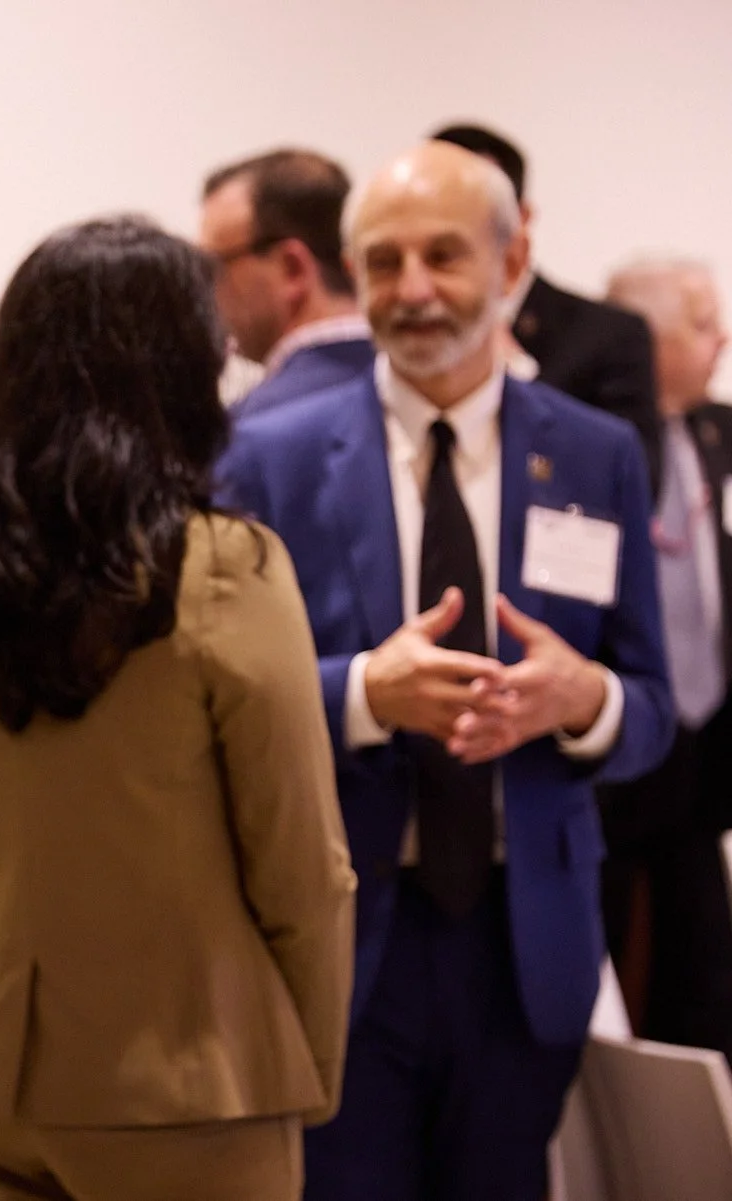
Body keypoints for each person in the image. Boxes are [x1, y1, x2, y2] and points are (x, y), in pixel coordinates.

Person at [218, 141, 674, 1201]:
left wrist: (585, 700)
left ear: (514, 260)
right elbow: (226, 702)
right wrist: (362, 692)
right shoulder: (271, 456)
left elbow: (653, 704)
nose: (412, 290)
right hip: (344, 946)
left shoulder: (597, 453)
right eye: (382, 262)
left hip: (527, 948)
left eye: (443, 256)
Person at [0, 215, 356, 1201]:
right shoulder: (229, 566)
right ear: (186, 369)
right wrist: (307, 1066)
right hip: (191, 1077)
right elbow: (301, 866)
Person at [599, 258, 732, 1057]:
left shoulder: (715, 433)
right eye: (704, 322)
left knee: (703, 960)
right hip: (617, 740)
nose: (723, 339)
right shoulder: (595, 438)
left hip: (707, 741)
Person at [432, 123, 662, 490]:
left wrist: (519, 377)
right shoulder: (395, 330)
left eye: (469, 211)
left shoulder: (608, 335)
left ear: (520, 221)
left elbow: (638, 484)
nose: (443, 229)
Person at [199, 148, 373, 420]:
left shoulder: (253, 433)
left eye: (214, 266)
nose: (209, 290)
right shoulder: (429, 404)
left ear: (292, 268)